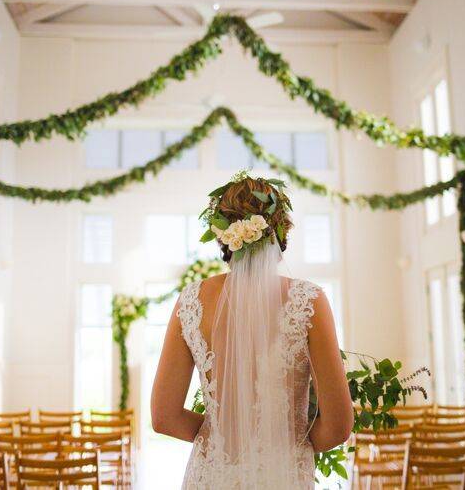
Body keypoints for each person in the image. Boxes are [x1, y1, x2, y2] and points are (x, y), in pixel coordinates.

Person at [151, 174, 353, 489]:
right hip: (282, 474)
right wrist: (292, 446)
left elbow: (164, 417)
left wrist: (220, 439)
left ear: (222, 234)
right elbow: (339, 425)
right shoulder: (309, 301)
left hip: (211, 475)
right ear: (280, 232)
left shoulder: (191, 301)